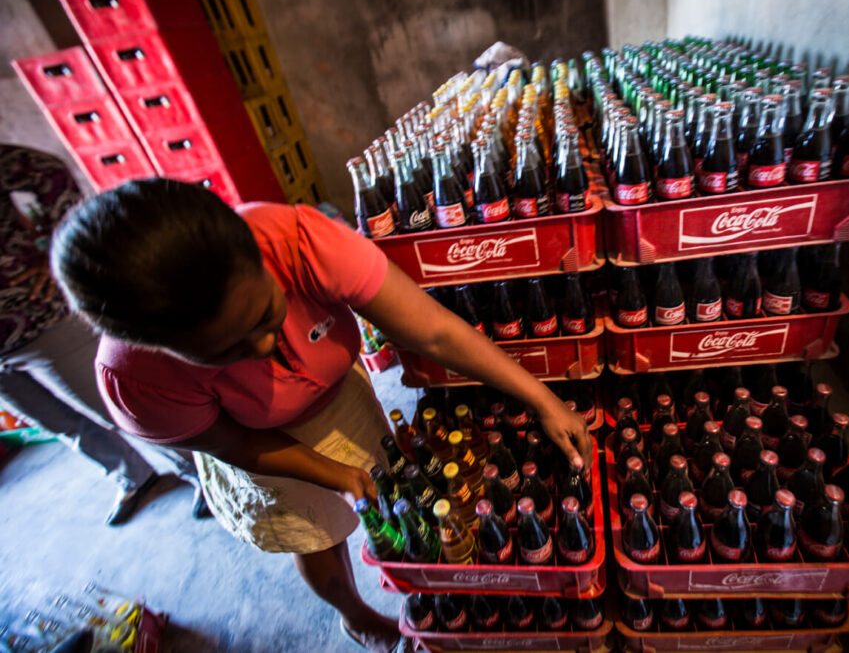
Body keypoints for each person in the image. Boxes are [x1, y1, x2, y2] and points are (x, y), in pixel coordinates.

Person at [49, 179, 590, 652]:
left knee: (395, 503)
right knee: (315, 534)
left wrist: (540, 398)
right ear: (157, 345)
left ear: (259, 255)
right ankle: (356, 618)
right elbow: (236, 445)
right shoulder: (137, 380)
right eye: (224, 351)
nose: (264, 344)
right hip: (263, 442)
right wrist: (337, 477)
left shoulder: (299, 239)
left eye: (265, 313)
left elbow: (434, 330)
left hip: (339, 394)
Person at [0, 145, 208, 525]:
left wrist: (56, 254)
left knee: (119, 408)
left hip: (38, 319)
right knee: (59, 423)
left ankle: (205, 477)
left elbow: (47, 171)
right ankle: (132, 475)